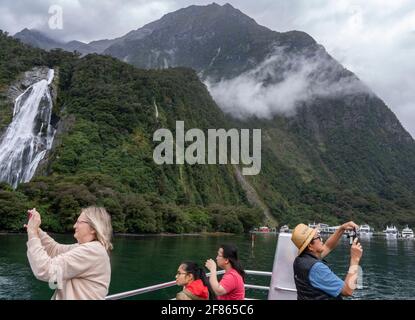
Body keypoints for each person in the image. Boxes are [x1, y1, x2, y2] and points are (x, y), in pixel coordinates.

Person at [25, 206, 113, 300]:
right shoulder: (87, 248)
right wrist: (37, 230)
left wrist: (33, 233)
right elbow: (55, 249)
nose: (74, 226)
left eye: (79, 222)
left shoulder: (92, 251)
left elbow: (45, 269)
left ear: (93, 228)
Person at [291, 222, 363, 300]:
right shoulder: (316, 268)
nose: (321, 239)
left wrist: (342, 228)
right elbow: (347, 291)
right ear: (310, 246)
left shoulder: (300, 260)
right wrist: (355, 259)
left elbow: (328, 246)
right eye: (318, 237)